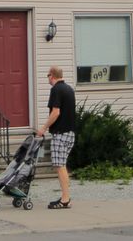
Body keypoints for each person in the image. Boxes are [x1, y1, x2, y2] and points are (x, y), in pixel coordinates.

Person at [36, 66, 76, 209]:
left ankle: (65, 199)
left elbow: (55, 112)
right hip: (70, 133)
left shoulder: (56, 90)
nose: (47, 78)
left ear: (51, 76)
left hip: (60, 134)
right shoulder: (69, 89)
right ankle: (66, 197)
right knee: (62, 165)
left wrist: (43, 128)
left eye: (48, 75)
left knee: (60, 166)